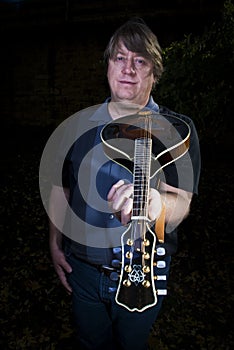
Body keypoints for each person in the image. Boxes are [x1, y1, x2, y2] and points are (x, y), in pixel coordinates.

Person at [47, 18, 201, 350]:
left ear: (154, 74)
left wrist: (156, 204)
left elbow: (182, 203)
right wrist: (55, 243)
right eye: (120, 58)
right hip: (83, 271)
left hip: (142, 273)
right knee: (90, 343)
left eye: (140, 60)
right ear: (107, 67)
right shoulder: (76, 127)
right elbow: (63, 188)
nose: (128, 68)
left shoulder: (178, 132)